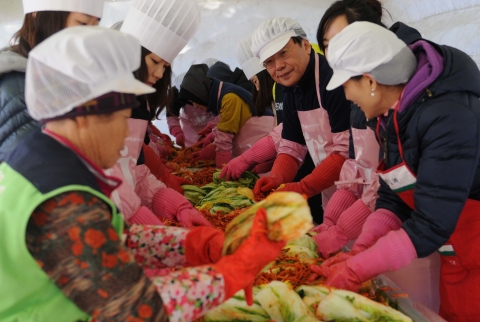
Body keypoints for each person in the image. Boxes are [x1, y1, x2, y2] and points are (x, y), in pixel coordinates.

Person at [0, 26, 285, 322]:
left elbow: (118, 239)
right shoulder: (60, 197)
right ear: (87, 115)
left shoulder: (43, 158)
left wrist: (192, 245)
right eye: (122, 119)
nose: (127, 132)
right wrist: (225, 278)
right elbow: (134, 306)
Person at [311, 21, 480, 321]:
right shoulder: (391, 116)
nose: (347, 98)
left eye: (347, 86)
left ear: (370, 81)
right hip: (454, 251)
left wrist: (357, 269)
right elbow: (394, 193)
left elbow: (429, 224)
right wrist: (359, 249)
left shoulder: (447, 115)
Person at [110, 0, 210, 227]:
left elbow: (135, 171)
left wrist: (177, 206)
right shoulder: (95, 101)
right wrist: (147, 223)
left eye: (165, 65)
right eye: (155, 61)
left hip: (125, 221)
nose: (158, 73)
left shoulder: (140, 102)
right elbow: (101, 178)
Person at [250, 17, 351, 222]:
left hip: (365, 193)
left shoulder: (333, 80)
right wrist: (276, 179)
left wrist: (303, 187)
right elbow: (291, 145)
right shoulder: (291, 89)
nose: (278, 66)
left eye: (283, 53)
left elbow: (346, 150)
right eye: (269, 62)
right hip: (331, 190)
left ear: (305, 45)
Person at [0, 0, 103, 162]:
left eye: (95, 26)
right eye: (82, 23)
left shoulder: (54, 80)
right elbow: (34, 174)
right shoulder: (21, 87)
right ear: (41, 16)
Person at [179, 63, 276, 168]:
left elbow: (224, 140)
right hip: (254, 147)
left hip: (263, 146)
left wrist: (222, 173)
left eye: (194, 100)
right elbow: (226, 122)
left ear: (200, 93)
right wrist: (210, 141)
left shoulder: (229, 98)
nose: (195, 106)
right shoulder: (224, 95)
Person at [166, 73, 216, 147]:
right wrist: (177, 131)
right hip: (190, 137)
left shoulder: (213, 89)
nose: (195, 106)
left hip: (215, 135)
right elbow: (172, 114)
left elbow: (223, 115)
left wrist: (213, 134)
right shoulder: (176, 92)